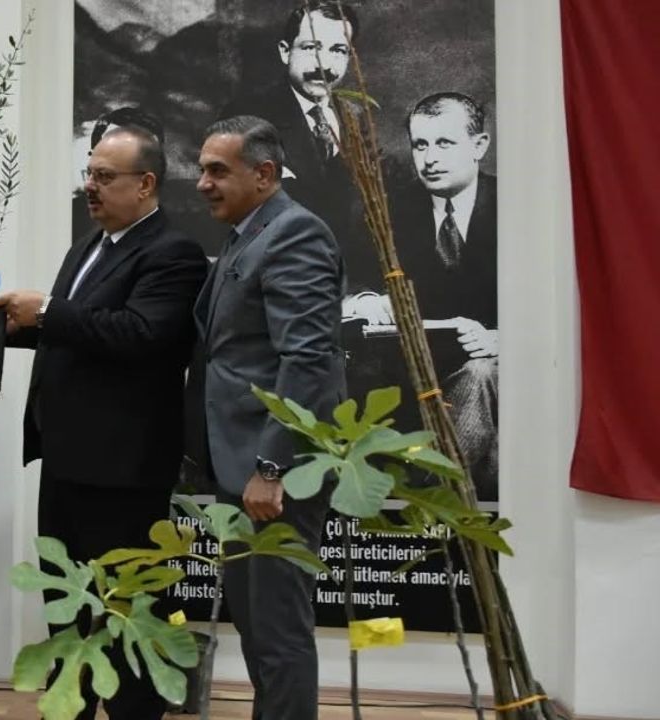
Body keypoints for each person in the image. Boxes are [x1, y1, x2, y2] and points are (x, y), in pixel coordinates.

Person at [0, 124, 208, 720]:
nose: (90, 185)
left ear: (146, 184)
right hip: (65, 459)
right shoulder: (88, 246)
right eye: (89, 173)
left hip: (123, 470)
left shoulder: (174, 253)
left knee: (126, 609)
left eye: (104, 177)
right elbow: (79, 335)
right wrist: (7, 333)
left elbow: (142, 335)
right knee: (68, 606)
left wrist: (47, 311)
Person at [193, 116, 345, 720]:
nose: (202, 183)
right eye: (202, 169)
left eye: (217, 170)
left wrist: (271, 467)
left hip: (274, 475)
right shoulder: (245, 232)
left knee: (278, 634)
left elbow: (308, 361)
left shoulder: (294, 233)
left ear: (264, 174)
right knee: (257, 630)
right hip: (240, 469)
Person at [364, 92, 498, 499]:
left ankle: (434, 497)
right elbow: (357, 281)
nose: (430, 159)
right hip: (413, 367)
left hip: (500, 364)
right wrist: (369, 301)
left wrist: (501, 339)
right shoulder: (390, 213)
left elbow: (550, 304)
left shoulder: (516, 206)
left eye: (444, 143)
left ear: (479, 145)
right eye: (420, 145)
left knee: (479, 374)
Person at [220, 2, 378, 302]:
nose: (324, 65)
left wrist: (363, 294)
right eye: (311, 47)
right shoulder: (247, 117)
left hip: (351, 292)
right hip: (275, 291)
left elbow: (365, 222)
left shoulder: (357, 119)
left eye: (338, 50)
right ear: (285, 51)